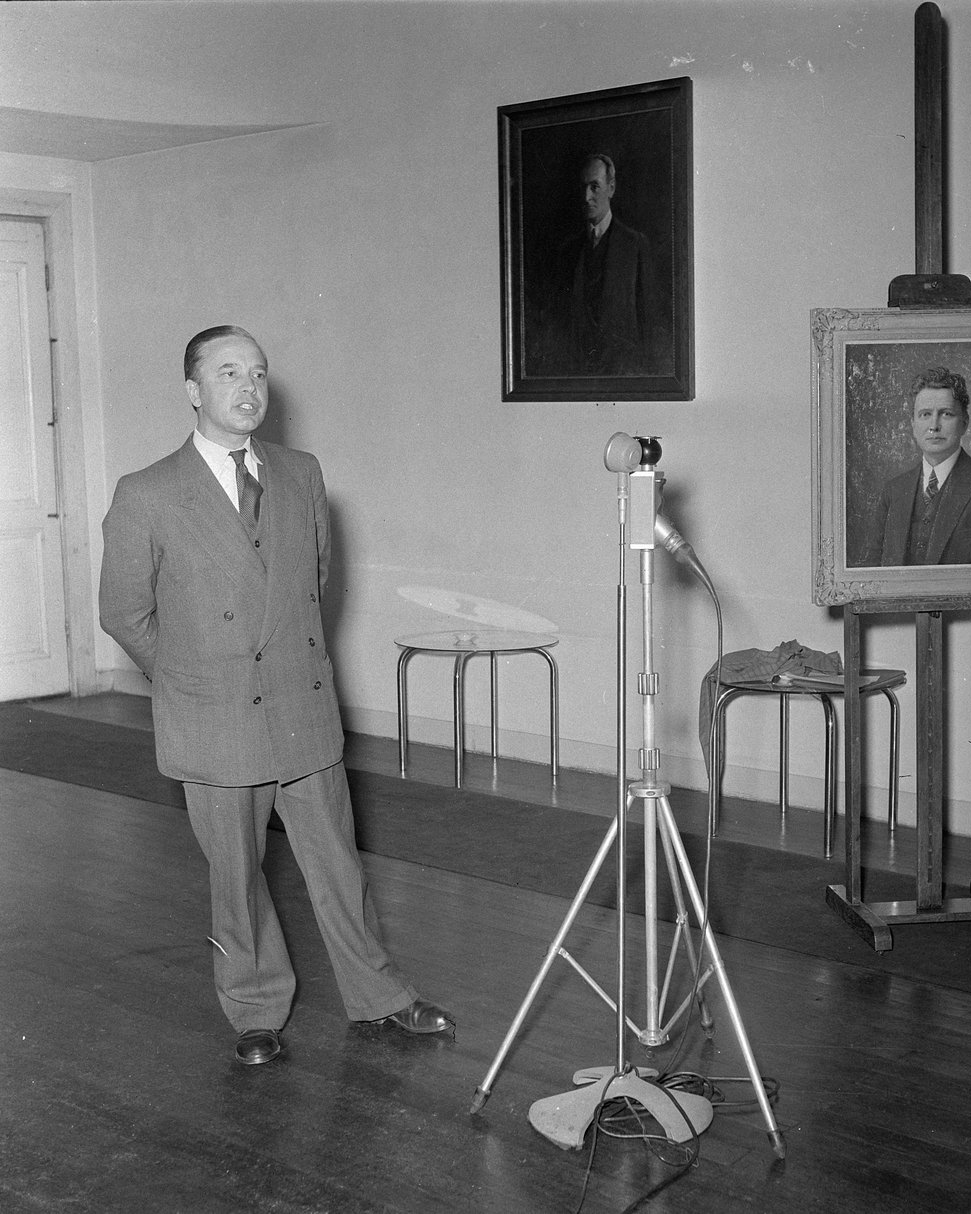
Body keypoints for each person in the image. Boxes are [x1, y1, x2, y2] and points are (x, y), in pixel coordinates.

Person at [98, 325, 454, 1066]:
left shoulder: (300, 473)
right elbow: (123, 611)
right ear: (194, 392)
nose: (248, 387)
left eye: (257, 372)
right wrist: (195, 677)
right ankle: (255, 1011)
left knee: (339, 866)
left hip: (300, 706)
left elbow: (311, 582)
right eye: (228, 373)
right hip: (214, 717)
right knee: (237, 876)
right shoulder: (149, 492)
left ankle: (379, 997)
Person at [861, 366, 971, 566]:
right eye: (925, 414)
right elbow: (870, 576)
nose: (934, 425)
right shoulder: (894, 491)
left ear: (964, 422)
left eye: (946, 414)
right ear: (913, 424)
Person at [541, 152, 668, 376]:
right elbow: (558, 323)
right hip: (577, 376)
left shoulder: (635, 245)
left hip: (624, 374)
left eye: (594, 187)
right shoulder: (568, 251)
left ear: (611, 188)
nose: (586, 197)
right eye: (583, 188)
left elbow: (650, 322)